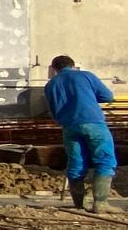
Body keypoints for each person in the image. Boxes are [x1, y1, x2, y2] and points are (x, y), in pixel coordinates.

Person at [45, 55, 117, 212]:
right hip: (93, 123)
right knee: (105, 160)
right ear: (73, 66)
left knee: (76, 163)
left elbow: (52, 110)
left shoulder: (51, 85)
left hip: (69, 127)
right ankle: (101, 203)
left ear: (54, 69)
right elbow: (108, 96)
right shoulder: (86, 76)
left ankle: (79, 204)